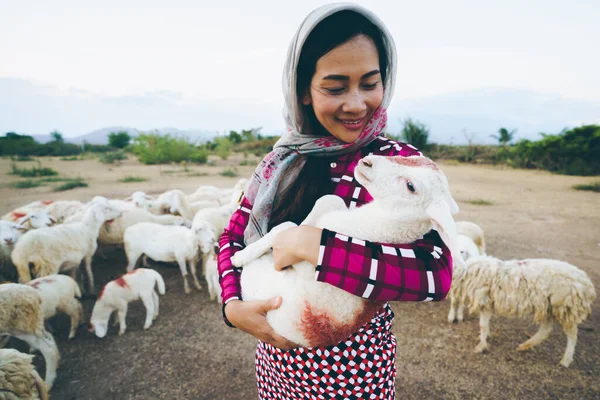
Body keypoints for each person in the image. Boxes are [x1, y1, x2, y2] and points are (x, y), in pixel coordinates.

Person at [217, 3, 453, 399]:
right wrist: (231, 307)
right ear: (303, 91)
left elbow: (436, 275)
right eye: (335, 87)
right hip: (277, 365)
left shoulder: (400, 167)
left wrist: (318, 247)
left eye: (370, 83)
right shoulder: (280, 164)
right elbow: (232, 237)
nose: (357, 103)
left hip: (357, 374)